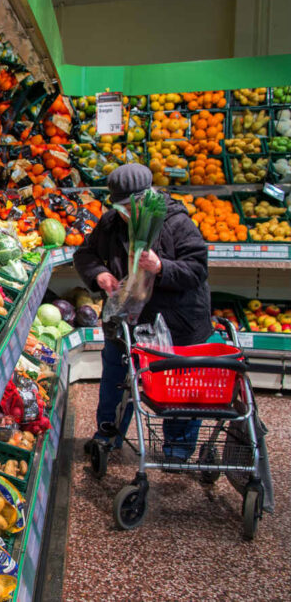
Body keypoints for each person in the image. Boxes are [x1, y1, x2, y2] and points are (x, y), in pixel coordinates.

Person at [72, 163, 212, 461]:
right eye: (120, 206)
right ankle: (108, 435)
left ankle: (177, 450)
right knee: (116, 377)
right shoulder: (111, 223)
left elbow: (197, 268)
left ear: (147, 198)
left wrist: (162, 267)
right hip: (128, 321)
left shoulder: (176, 222)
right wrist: (99, 275)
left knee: (178, 386)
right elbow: (85, 254)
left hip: (176, 322)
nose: (124, 212)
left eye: (129, 206)